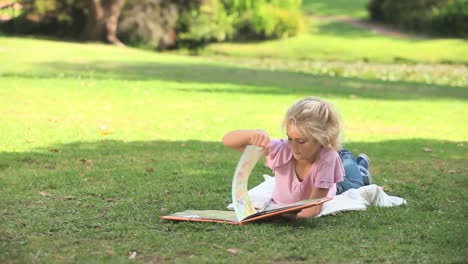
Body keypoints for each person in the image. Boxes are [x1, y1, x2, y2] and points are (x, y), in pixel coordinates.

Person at [222, 96, 371, 219]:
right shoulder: (283, 149)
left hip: (338, 186)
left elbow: (313, 207)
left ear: (323, 139)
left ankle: (358, 165)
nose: (293, 147)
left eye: (301, 141)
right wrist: (252, 135)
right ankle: (350, 160)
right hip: (323, 163)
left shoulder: (328, 158)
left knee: (355, 183)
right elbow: (228, 141)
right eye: (290, 138)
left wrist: (286, 217)